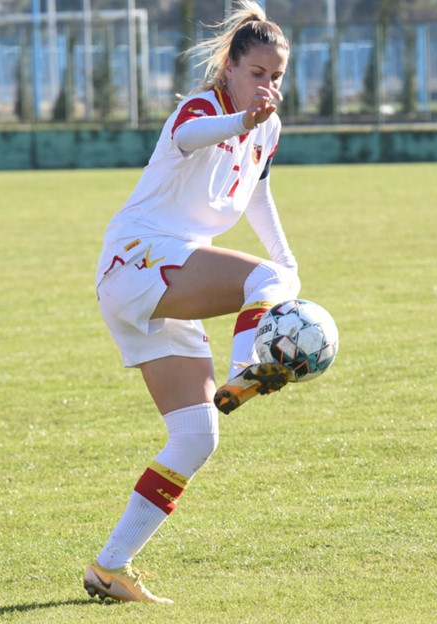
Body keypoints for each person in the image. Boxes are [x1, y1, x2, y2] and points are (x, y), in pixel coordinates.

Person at [84, 2, 300, 604]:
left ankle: (110, 567)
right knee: (262, 285)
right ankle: (245, 370)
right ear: (229, 67)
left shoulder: (268, 126)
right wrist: (241, 121)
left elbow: (256, 195)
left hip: (159, 284)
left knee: (196, 435)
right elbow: (189, 135)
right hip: (139, 258)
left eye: (277, 76)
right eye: (257, 72)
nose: (269, 86)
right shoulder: (203, 108)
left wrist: (288, 261)